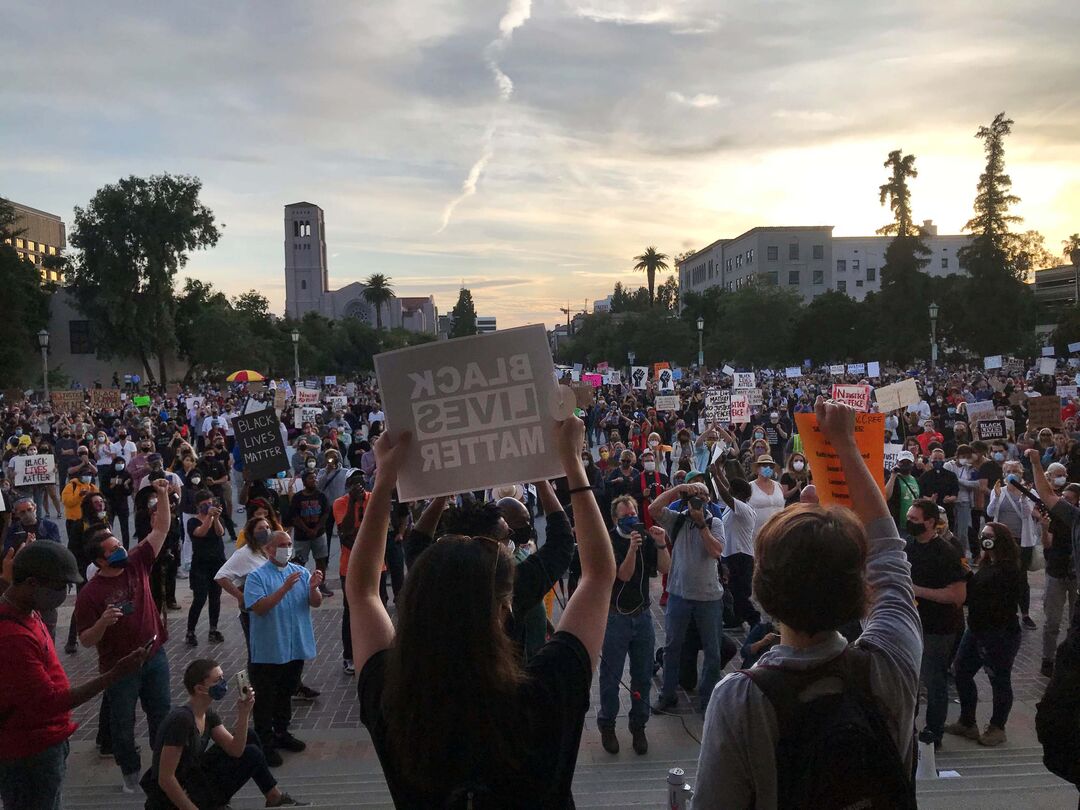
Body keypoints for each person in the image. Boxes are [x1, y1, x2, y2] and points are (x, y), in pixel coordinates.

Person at [348, 418, 616, 807]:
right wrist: (571, 465)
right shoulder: (543, 692)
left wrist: (385, 481)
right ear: (505, 608)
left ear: (417, 603)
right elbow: (598, 575)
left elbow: (359, 592)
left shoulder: (395, 701)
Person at [694, 397, 921, 810]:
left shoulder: (740, 699)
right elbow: (889, 550)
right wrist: (846, 445)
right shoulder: (893, 660)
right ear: (859, 587)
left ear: (762, 591)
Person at [0, 541, 148, 810]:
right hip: (31, 753)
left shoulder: (26, 609)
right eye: (60, 586)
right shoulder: (12, 637)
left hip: (46, 742)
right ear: (32, 583)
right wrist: (114, 674)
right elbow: (52, 703)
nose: (65, 593)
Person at [74, 478, 174, 793]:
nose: (120, 550)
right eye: (114, 549)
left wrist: (161, 494)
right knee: (122, 725)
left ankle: (164, 771)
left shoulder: (136, 562)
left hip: (154, 655)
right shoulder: (90, 594)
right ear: (100, 561)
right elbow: (86, 640)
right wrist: (103, 623)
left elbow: (161, 531)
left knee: (162, 716)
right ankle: (130, 773)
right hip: (120, 667)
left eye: (119, 544)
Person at [144, 658, 308, 809]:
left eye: (222, 678)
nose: (223, 684)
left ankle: (274, 797)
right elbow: (165, 778)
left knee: (249, 736)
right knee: (252, 754)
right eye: (217, 681)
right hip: (173, 798)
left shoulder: (208, 714)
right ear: (200, 689)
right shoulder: (180, 721)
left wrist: (244, 713)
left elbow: (235, 750)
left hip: (193, 776)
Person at [597, 495, 671, 756]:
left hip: (642, 616)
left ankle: (638, 725)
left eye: (634, 514)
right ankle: (607, 723)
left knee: (642, 675)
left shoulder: (645, 537)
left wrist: (661, 545)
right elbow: (623, 575)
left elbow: (665, 569)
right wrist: (631, 549)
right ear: (616, 518)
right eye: (626, 515)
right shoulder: (609, 539)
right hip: (616, 617)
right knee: (611, 676)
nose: (632, 518)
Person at [244, 530, 323, 767]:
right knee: (265, 698)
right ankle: (264, 742)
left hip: (294, 646)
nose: (287, 548)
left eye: (289, 544)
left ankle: (282, 733)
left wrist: (313, 587)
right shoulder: (256, 577)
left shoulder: (300, 572)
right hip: (269, 650)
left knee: (285, 693)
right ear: (268, 549)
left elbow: (315, 602)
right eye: (281, 544)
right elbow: (258, 607)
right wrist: (284, 589)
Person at [649, 477, 725, 713]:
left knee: (713, 651)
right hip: (679, 593)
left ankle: (707, 700)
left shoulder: (715, 523)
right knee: (672, 647)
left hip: (709, 597)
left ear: (708, 501)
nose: (697, 502)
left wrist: (701, 524)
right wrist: (678, 489)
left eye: (702, 497)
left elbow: (716, 551)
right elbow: (653, 509)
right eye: (693, 498)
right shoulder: (677, 521)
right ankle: (668, 694)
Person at [945, 521, 1024, 747]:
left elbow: (994, 598)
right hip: (978, 630)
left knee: (999, 679)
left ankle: (998, 727)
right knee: (961, 671)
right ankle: (968, 721)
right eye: (983, 534)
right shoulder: (990, 563)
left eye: (989, 535)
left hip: (998, 634)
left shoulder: (1008, 569)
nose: (984, 538)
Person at [903, 498, 967, 750]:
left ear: (930, 522)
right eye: (909, 518)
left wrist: (918, 591)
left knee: (934, 680)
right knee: (911, 680)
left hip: (938, 628)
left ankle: (934, 731)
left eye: (915, 520)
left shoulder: (947, 552)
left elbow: (957, 596)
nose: (909, 523)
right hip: (913, 625)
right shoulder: (908, 546)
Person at [986, 460, 1041, 630]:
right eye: (1008, 470)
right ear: (1003, 473)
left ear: (1021, 473)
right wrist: (994, 497)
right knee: (999, 574)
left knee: (1020, 577)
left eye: (1015, 470)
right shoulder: (999, 491)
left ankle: (1025, 614)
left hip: (1021, 540)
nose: (1012, 473)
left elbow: (1028, 515)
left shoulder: (1030, 492)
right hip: (1001, 540)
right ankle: (1004, 611)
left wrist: (1024, 499)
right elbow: (990, 512)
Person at [215, 515, 275, 657]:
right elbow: (221, 576)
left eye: (267, 527)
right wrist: (241, 596)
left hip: (272, 606)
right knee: (257, 650)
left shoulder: (271, 550)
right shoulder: (245, 553)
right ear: (252, 532)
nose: (265, 531)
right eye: (260, 528)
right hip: (253, 611)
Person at [1039, 481, 1079, 678]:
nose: (1063, 502)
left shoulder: (1076, 520)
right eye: (1062, 497)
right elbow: (1047, 546)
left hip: (1075, 576)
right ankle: (1048, 658)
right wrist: (1044, 528)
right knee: (1052, 620)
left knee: (1074, 620)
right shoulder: (1055, 517)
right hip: (1056, 571)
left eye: (1069, 499)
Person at [185, 490, 227, 647]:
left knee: (215, 597)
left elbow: (220, 532)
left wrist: (215, 517)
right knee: (200, 598)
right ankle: (190, 631)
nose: (208, 506)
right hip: (200, 565)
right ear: (198, 506)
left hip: (216, 562)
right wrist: (209, 516)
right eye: (204, 505)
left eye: (210, 503)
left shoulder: (215, 518)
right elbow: (200, 533)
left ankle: (213, 629)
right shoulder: (192, 522)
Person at [288, 471, 333, 596]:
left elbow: (325, 514)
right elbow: (295, 516)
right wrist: (307, 530)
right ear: (304, 481)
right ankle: (298, 584)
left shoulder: (321, 496)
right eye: (310, 478)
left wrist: (316, 529)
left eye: (314, 478)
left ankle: (321, 584)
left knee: (321, 559)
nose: (314, 480)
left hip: (319, 534)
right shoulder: (297, 498)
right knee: (300, 561)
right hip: (302, 536)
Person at [918, 447, 959, 528]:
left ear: (944, 459)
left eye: (940, 458)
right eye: (935, 458)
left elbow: (955, 493)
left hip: (947, 510)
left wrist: (949, 499)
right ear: (931, 459)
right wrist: (929, 499)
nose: (938, 461)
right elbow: (920, 494)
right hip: (930, 510)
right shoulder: (925, 476)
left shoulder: (951, 475)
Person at [747, 454, 785, 540]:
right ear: (757, 469)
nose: (767, 468)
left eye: (770, 466)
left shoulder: (778, 486)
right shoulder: (750, 487)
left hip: (778, 534)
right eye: (764, 466)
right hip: (756, 536)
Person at [885, 450, 921, 528]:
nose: (905, 464)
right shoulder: (892, 479)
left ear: (913, 463)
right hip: (897, 524)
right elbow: (886, 496)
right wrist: (893, 476)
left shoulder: (916, 480)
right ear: (897, 462)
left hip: (913, 524)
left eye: (908, 462)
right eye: (902, 462)